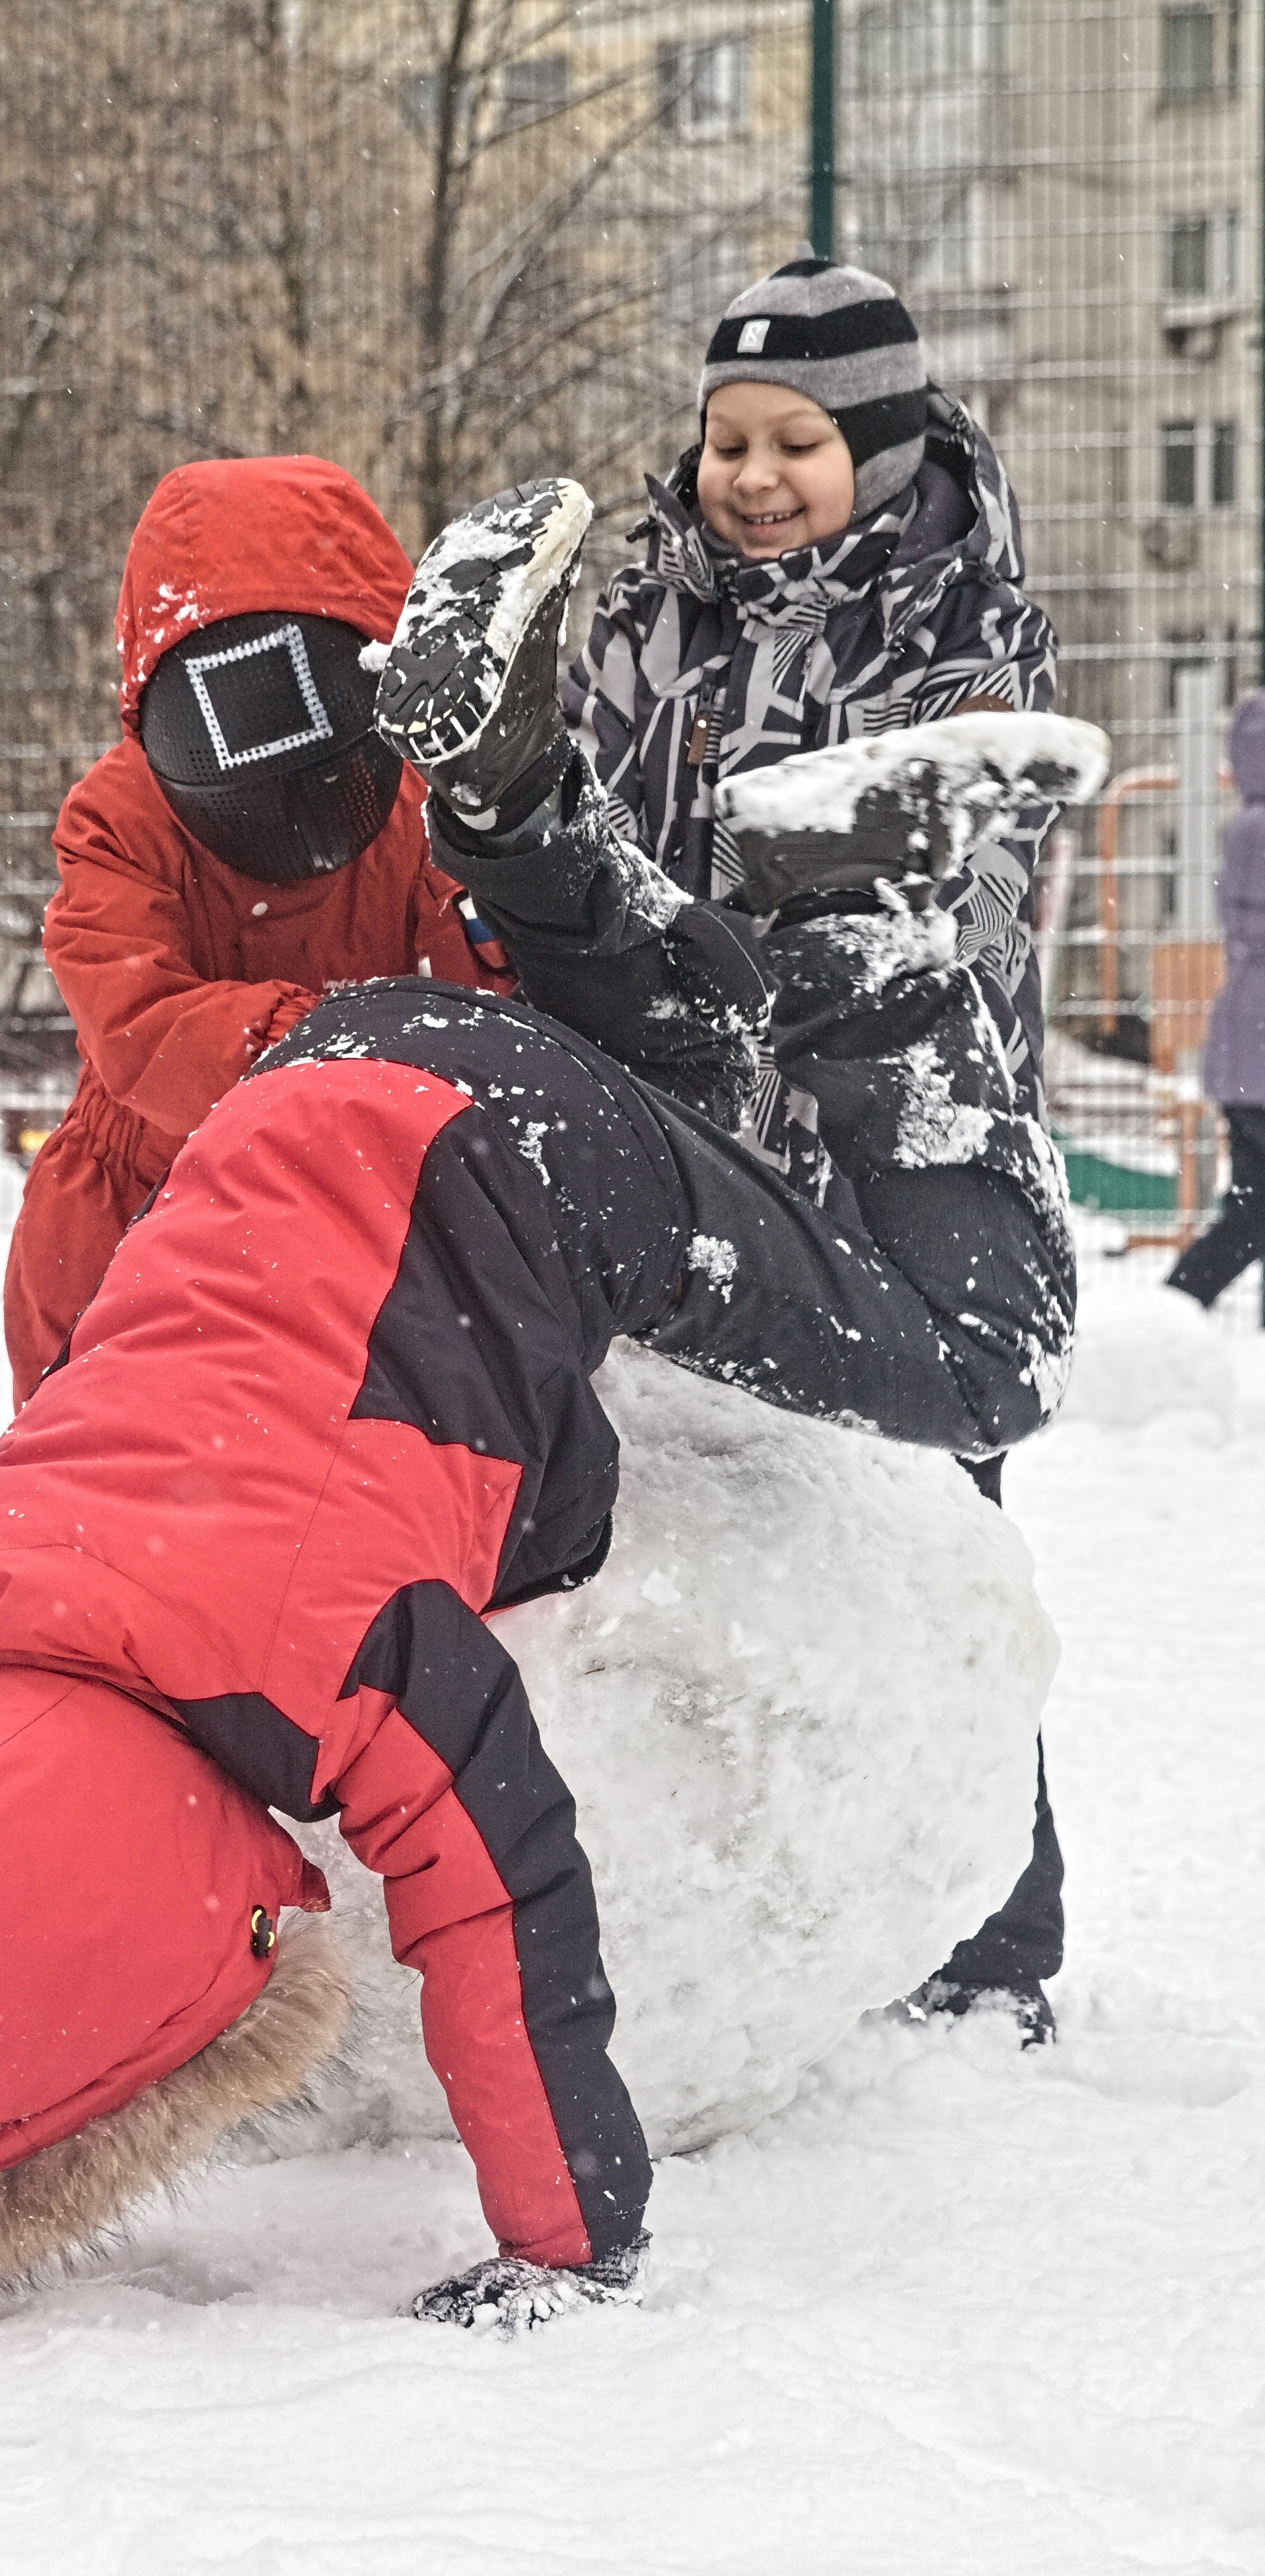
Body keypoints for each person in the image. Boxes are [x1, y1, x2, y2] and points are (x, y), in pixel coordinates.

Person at [0, 549, 1088, 2335]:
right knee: (707, 1090)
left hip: (510, 1164)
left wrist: (566, 2246)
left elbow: (507, 1915)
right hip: (328, 1089)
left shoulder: (327, 1656)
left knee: (984, 1358)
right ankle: (547, 816)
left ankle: (871, 945)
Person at [387, 257, 1072, 2039]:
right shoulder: (649, 612)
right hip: (688, 1075)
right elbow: (636, 817)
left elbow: (988, 904)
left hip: (880, 1113)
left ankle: (995, 1938)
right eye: (724, 442)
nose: (751, 477)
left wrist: (842, 943)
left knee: (931, 1501)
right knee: (685, 1501)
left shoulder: (957, 623)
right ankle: (504, 786)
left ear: (884, 445)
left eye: (796, 444)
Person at [1, 454, 505, 1409]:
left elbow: (483, 1000)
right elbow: (139, 1021)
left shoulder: (420, 802)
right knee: (108, 1494)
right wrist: (349, 1048)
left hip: (379, 1206)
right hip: (140, 1213)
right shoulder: (117, 818)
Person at [1168, 691, 1265, 1317]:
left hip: (1246, 1050)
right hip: (1257, 1054)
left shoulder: (1246, 825)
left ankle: (1177, 1306)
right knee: (1252, 1213)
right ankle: (1173, 1307)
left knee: (1254, 1204)